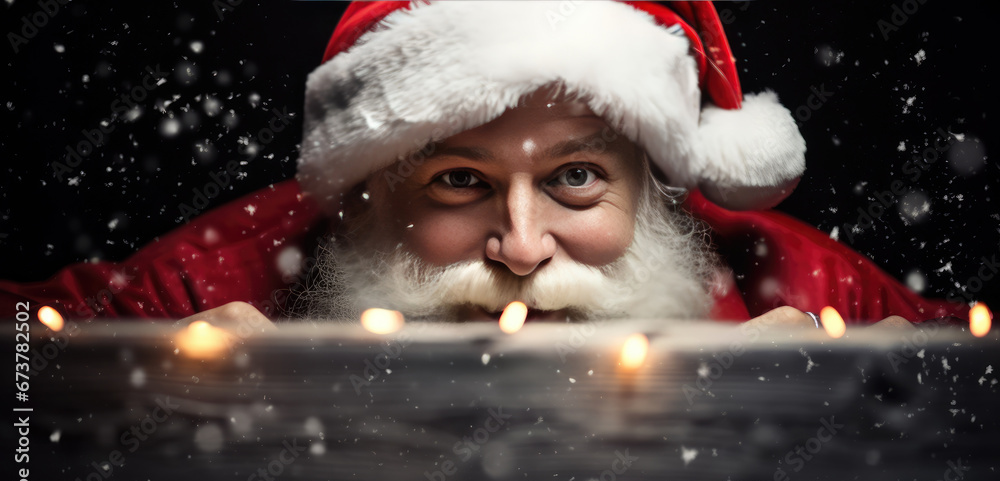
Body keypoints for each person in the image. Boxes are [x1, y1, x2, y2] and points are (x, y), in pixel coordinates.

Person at [0, 1, 969, 329]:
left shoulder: (790, 284)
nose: (518, 245)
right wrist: (134, 392)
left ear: (654, 180)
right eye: (458, 180)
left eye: (576, 178)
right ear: (377, 180)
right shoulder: (224, 278)